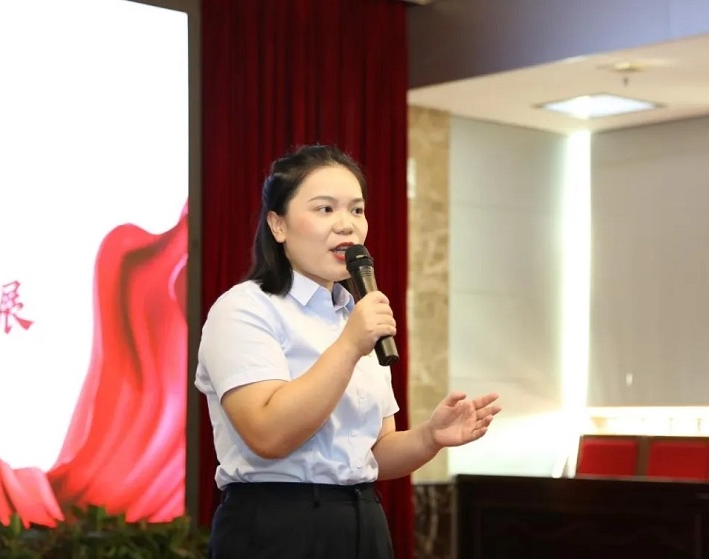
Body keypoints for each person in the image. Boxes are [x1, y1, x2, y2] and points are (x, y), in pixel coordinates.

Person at [194, 144, 501, 559]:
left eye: (357, 210)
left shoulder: (355, 316)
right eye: (325, 209)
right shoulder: (245, 309)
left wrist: (430, 437)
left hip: (363, 522)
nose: (347, 225)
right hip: (277, 527)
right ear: (278, 225)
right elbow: (267, 434)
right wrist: (350, 346)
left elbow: (374, 452)